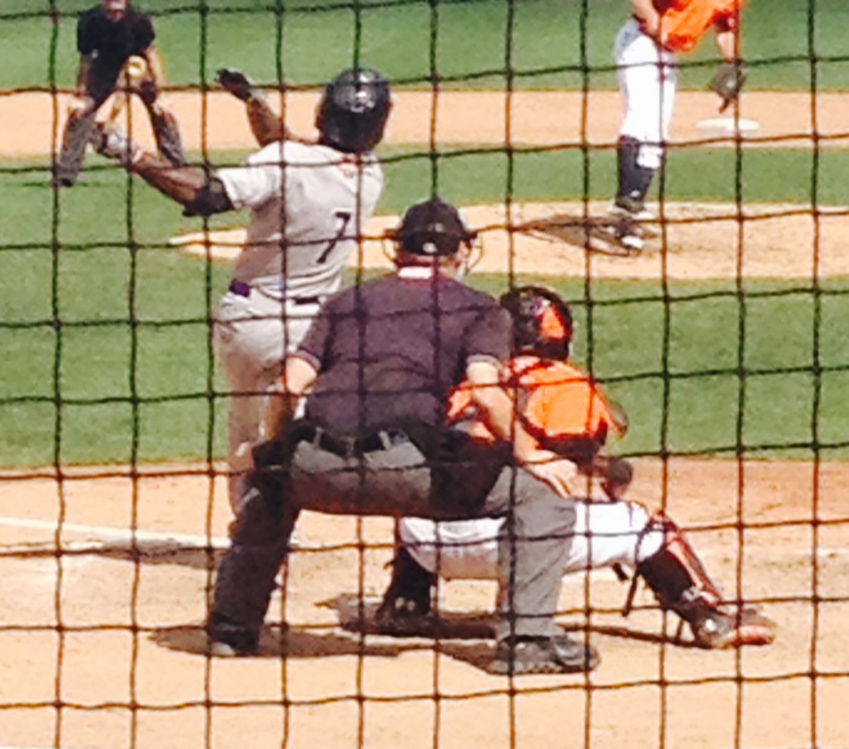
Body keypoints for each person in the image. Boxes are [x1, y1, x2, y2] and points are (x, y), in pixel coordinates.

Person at [206, 198, 598, 676]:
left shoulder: (347, 302)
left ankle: (232, 629)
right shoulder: (478, 309)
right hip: (408, 470)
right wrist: (532, 455)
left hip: (318, 469)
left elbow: (290, 383)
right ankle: (527, 641)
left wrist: (277, 448)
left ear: (397, 251)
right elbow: (485, 390)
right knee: (541, 494)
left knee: (271, 482)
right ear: (465, 251)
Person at [377, 285, 777, 651]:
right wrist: (606, 470)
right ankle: (708, 616)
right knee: (649, 524)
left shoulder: (464, 385)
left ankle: (406, 601)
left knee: (423, 487)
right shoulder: (565, 384)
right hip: (521, 541)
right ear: (560, 335)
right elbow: (568, 458)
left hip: (429, 543)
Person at [95, 66, 392, 514]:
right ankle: (280, 523)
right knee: (295, 434)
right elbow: (290, 149)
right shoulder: (370, 174)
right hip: (315, 333)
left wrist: (129, 152)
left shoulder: (286, 164)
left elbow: (205, 195)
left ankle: (250, 535)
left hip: (253, 322)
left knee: (248, 435)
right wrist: (255, 101)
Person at [606, 0, 750, 254]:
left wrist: (733, 61)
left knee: (657, 134)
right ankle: (627, 204)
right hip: (640, 43)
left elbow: (725, 27)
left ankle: (629, 212)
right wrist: (659, 27)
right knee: (641, 119)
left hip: (667, 54)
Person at [52, 0, 185, 188]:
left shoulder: (139, 21)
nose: (114, 4)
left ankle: (176, 166)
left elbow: (151, 56)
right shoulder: (90, 21)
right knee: (80, 114)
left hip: (137, 66)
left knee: (163, 113)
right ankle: (66, 174)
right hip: (105, 67)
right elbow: (86, 60)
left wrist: (162, 93)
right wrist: (81, 93)